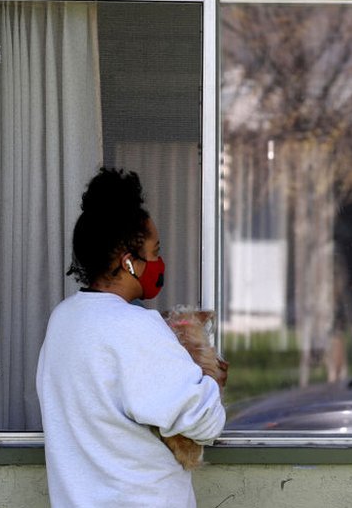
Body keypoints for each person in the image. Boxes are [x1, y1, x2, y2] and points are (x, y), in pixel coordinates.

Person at [36, 168, 226, 507]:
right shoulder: (135, 326)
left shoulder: (63, 320)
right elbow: (204, 421)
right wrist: (209, 377)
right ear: (129, 262)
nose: (159, 261)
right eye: (155, 251)